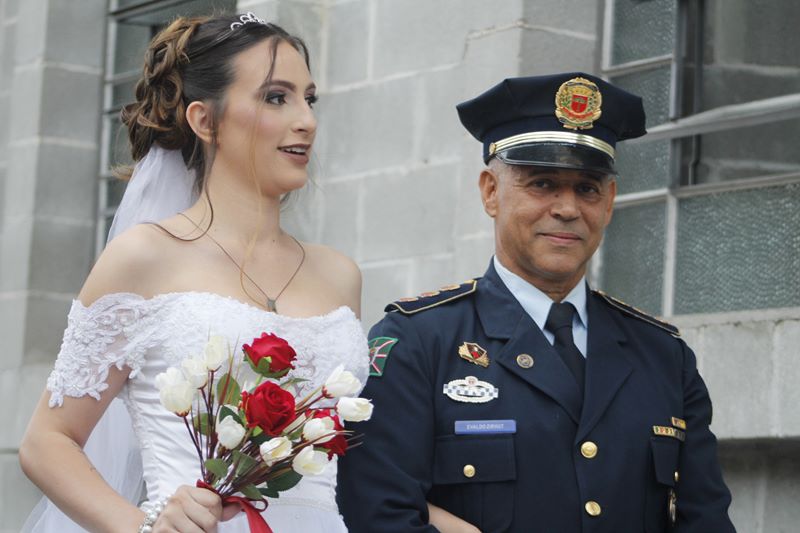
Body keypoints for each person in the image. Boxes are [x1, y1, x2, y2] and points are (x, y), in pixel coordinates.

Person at [338, 73, 737, 533]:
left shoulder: (665, 357)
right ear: (491, 191)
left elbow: (704, 521)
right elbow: (378, 516)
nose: (567, 208)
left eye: (587, 188)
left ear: (608, 202)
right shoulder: (419, 341)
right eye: (542, 183)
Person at [19, 13, 368, 533]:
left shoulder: (340, 275)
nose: (306, 120)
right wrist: (144, 525)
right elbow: (47, 441)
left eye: (308, 98)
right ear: (205, 121)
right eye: (277, 97)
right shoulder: (144, 257)